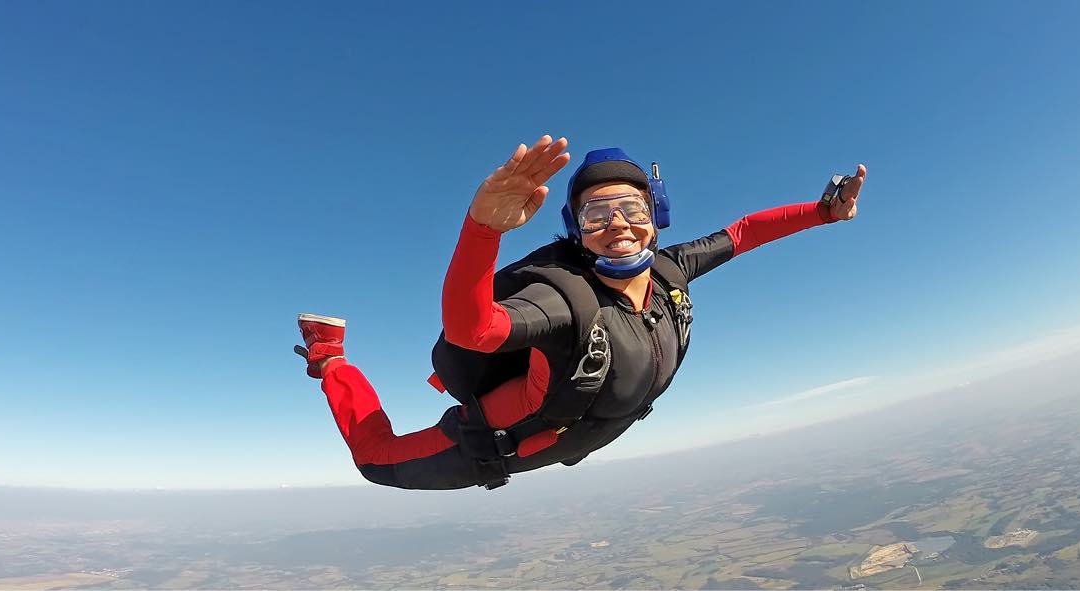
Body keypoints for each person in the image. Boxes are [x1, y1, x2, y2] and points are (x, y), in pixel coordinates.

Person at [295, 135, 866, 490]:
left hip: (578, 430)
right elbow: (473, 329)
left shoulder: (669, 273)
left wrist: (823, 212)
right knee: (376, 460)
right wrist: (483, 229)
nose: (617, 224)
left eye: (631, 207)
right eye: (596, 214)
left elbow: (741, 233)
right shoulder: (564, 302)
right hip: (501, 441)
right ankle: (330, 358)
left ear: (656, 216)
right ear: (577, 231)